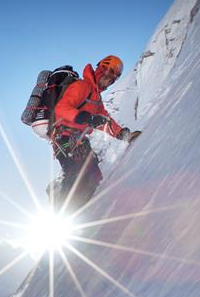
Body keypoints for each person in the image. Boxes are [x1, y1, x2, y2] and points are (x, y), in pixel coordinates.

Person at [51, 55, 137, 208]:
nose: (110, 80)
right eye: (109, 74)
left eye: (113, 79)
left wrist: (122, 135)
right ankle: (63, 214)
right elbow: (61, 108)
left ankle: (85, 212)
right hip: (63, 138)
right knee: (76, 175)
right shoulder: (82, 86)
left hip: (80, 140)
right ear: (101, 70)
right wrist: (84, 117)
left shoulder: (96, 98)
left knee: (94, 178)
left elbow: (106, 120)